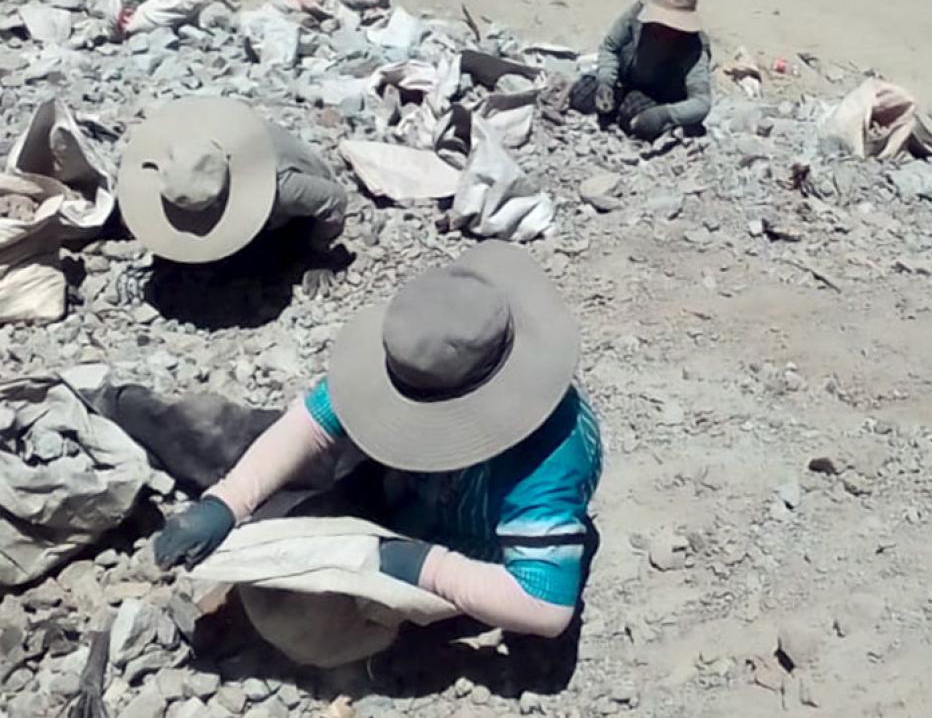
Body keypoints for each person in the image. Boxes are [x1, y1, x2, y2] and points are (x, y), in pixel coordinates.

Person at [152, 241, 604, 640]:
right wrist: (227, 501)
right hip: (402, 476)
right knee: (213, 436)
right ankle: (116, 406)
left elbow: (545, 607)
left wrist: (426, 567)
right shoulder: (424, 358)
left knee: (297, 621)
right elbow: (312, 424)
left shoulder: (548, 457)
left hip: (465, 547)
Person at [117, 97, 347, 297]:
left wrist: (318, 254)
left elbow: (334, 199)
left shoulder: (282, 188)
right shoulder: (187, 154)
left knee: (252, 267)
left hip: (289, 215)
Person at [569, 0, 713, 141]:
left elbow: (701, 102)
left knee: (636, 117)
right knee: (582, 94)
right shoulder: (636, 16)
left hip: (657, 96)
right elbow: (610, 47)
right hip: (624, 80)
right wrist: (606, 82)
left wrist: (664, 115)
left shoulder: (695, 46)